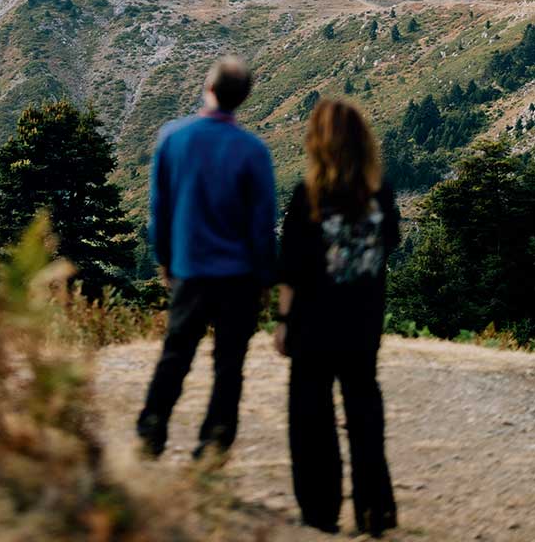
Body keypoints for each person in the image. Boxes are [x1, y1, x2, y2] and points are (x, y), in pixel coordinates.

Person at [136, 55, 277, 460]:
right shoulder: (253, 151)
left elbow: (158, 209)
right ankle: (213, 443)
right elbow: (262, 225)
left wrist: (165, 259)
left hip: (190, 269)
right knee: (229, 364)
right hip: (239, 276)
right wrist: (265, 278)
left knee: (176, 353)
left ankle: (151, 431)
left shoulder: (172, 138)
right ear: (244, 98)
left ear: (207, 87)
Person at [275, 99, 400, 537]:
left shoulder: (307, 196)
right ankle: (375, 509)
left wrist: (283, 321)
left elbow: (290, 266)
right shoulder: (379, 192)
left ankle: (320, 510)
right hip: (363, 321)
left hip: (313, 324)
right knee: (364, 411)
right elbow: (392, 242)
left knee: (311, 417)